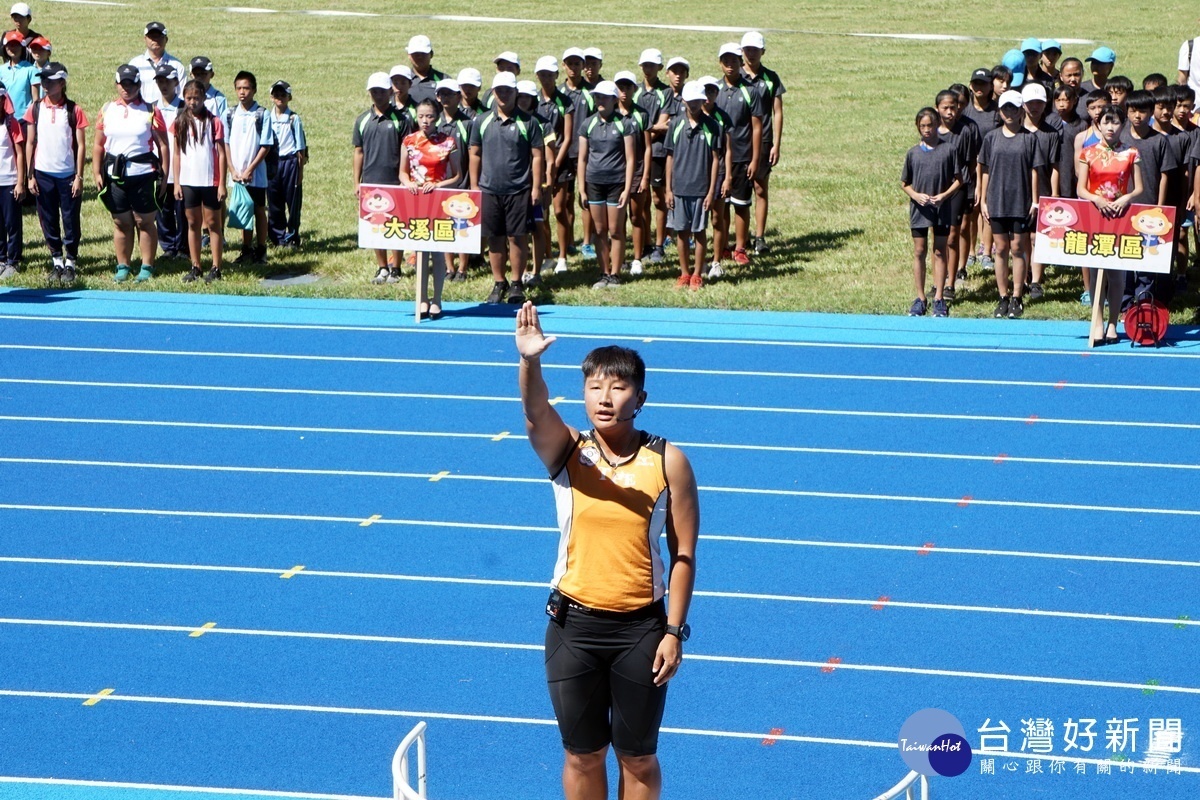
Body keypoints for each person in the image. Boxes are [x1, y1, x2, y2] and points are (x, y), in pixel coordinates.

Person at [514, 301, 697, 800]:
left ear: (640, 397)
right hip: (573, 627)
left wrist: (674, 631)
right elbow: (535, 412)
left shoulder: (669, 462)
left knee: (637, 757)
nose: (604, 397)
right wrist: (530, 361)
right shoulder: (568, 452)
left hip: (641, 630)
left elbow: (683, 556)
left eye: (618, 387)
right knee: (581, 754)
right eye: (594, 386)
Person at [468, 71, 544, 304]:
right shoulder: (481, 121)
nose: (502, 95)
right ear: (492, 93)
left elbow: (537, 155)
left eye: (507, 91)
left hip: (519, 189)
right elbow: (475, 153)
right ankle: (499, 282)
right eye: (498, 90)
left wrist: (536, 188)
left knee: (517, 237)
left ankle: (517, 284)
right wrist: (474, 186)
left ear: (515, 93)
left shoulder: (529, 122)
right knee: (494, 238)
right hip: (489, 189)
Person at [93, 63, 169, 284]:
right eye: (123, 84)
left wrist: (164, 174)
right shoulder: (107, 109)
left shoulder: (150, 110)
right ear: (117, 85)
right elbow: (98, 144)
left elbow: (163, 145)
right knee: (121, 222)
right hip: (115, 176)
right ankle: (123, 265)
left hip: (144, 174)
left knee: (144, 222)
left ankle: (147, 266)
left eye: (132, 84)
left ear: (139, 85)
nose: (127, 88)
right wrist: (96, 171)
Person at [1078, 104, 1142, 343]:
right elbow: (1081, 188)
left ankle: (1113, 323)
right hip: (1095, 216)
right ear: (1098, 124)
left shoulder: (1131, 153)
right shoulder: (1088, 152)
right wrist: (1096, 198)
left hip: (1121, 217)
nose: (1110, 127)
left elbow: (1139, 188)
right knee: (1096, 274)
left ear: (1122, 125)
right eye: (1106, 121)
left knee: (1117, 275)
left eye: (1115, 122)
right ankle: (1097, 321)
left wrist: (1126, 197)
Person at [978, 89, 1042, 320]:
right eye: (1005, 108)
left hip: (1020, 201)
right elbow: (984, 170)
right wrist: (983, 200)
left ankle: (1017, 296)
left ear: (1020, 110)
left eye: (1013, 108)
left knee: (1017, 248)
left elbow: (1035, 171)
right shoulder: (991, 138)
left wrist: (1034, 201)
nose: (1009, 113)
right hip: (997, 200)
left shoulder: (1029, 138)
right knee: (1001, 249)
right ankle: (1002, 296)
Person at [23, 61, 85, 283]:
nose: (45, 85)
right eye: (44, 81)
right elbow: (30, 142)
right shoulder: (36, 108)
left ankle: (71, 262)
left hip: (67, 175)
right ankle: (56, 260)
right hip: (43, 174)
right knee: (48, 218)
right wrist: (30, 176)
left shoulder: (73, 110)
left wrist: (79, 176)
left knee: (70, 220)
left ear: (62, 82)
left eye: (50, 81)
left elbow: (81, 146)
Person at [400, 97, 460, 317]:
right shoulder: (409, 141)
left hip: (439, 201)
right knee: (419, 251)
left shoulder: (448, 142)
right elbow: (403, 172)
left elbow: (457, 175)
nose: (425, 121)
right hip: (416, 201)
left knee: (437, 252)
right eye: (421, 116)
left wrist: (437, 185)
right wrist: (408, 183)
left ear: (437, 118)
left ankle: (437, 299)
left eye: (430, 116)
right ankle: (422, 298)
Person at [903, 107, 962, 317]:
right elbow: (905, 183)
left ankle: (938, 297)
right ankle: (920, 297)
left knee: (940, 250)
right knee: (919, 251)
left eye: (930, 125)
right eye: (922, 126)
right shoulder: (913, 153)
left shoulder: (949, 150)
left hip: (942, 208)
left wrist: (944, 196)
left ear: (937, 124)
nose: (927, 130)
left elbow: (959, 180)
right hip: (920, 209)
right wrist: (916, 195)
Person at [1121, 90, 1177, 305]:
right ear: (1127, 112)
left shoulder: (1159, 141)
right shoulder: (1121, 138)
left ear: (1151, 112)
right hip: (1124, 206)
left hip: (1150, 208)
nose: (1137, 116)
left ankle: (1144, 299)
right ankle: (1125, 302)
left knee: (1147, 255)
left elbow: (1164, 176)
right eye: (1133, 111)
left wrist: (1160, 206)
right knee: (1125, 255)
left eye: (1143, 111)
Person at [577, 80, 634, 289]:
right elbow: (582, 159)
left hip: (616, 183)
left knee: (616, 230)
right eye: (597, 97)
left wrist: (627, 189)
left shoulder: (624, 124)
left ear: (613, 99)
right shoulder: (588, 124)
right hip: (594, 183)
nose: (600, 101)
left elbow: (630, 159)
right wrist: (581, 188)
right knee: (599, 230)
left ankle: (616, 274)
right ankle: (604, 273)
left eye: (604, 97)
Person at [665, 80, 719, 290]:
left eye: (698, 100)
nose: (694, 105)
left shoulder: (711, 126)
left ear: (702, 101)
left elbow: (715, 159)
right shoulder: (676, 124)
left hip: (701, 189)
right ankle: (684, 273)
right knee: (681, 232)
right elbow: (669, 157)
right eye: (690, 101)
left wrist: (711, 190)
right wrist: (668, 189)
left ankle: (697, 274)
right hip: (679, 188)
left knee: (699, 232)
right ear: (684, 101)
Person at [354, 72, 408, 285]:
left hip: (395, 182)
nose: (378, 95)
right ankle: (382, 267)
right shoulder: (363, 120)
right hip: (371, 183)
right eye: (374, 91)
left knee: (396, 225)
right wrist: (357, 182)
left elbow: (407, 149)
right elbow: (358, 151)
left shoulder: (401, 120)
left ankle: (397, 268)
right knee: (376, 227)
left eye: (382, 91)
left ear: (390, 92)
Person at [714, 42, 764, 268]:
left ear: (740, 62)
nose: (730, 65)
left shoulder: (750, 90)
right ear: (720, 63)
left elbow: (756, 127)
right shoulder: (713, 91)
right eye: (725, 61)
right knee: (721, 205)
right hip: (720, 159)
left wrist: (754, 159)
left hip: (743, 156)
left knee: (741, 204)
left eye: (733, 60)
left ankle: (740, 248)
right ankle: (723, 245)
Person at [172, 79, 226, 283]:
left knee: (213, 223)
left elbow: (221, 154)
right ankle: (195, 265)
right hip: (188, 181)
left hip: (210, 180)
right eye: (188, 98)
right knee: (192, 222)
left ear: (204, 98)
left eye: (196, 98)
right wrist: (177, 182)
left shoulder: (214, 122)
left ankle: (216, 266)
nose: (192, 102)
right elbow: (177, 154)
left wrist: (221, 183)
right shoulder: (179, 122)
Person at [740, 31, 784, 256]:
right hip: (740, 143)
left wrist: (776, 143)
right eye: (747, 49)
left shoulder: (771, 78)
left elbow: (777, 111)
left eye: (755, 49)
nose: (751, 53)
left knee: (760, 188)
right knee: (739, 193)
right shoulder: (735, 77)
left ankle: (759, 237)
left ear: (762, 52)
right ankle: (741, 239)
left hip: (765, 140)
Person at [224, 70, 275, 265]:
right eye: (239, 88)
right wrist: (232, 169)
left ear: (254, 90)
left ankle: (261, 248)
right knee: (243, 208)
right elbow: (225, 143)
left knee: (259, 208)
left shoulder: (261, 114)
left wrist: (250, 169)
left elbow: (266, 145)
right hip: (237, 173)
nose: (242, 92)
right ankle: (246, 248)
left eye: (246, 88)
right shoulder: (230, 113)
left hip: (255, 173)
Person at [1020, 81, 1060, 301]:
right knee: (1021, 237)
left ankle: (1036, 280)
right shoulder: (1016, 130)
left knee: (1038, 237)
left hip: (1043, 190)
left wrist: (1054, 194)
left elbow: (1055, 166)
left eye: (1039, 103)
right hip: (1019, 191)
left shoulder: (1051, 134)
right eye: (1030, 103)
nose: (1034, 107)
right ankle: (1023, 273)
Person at [534, 55, 574, 275]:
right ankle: (547, 254)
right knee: (543, 212)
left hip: (561, 163)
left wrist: (556, 164)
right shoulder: (533, 100)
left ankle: (562, 256)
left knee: (559, 210)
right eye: (542, 75)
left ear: (556, 75)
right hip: (540, 165)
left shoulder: (564, 102)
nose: (546, 79)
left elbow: (567, 137)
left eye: (550, 75)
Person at [517, 78, 557, 285]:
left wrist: (548, 186)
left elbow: (550, 160)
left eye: (527, 97)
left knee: (538, 229)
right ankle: (522, 270)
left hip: (538, 187)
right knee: (518, 230)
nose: (523, 100)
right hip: (517, 186)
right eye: (520, 96)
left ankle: (537, 272)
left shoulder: (544, 124)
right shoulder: (513, 121)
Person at [435, 77, 471, 282]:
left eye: (450, 94)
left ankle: (463, 268)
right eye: (442, 94)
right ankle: (449, 267)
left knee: (462, 226)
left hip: (462, 182)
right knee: (444, 226)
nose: (445, 98)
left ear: (458, 96)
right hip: (440, 182)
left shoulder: (467, 123)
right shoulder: (435, 122)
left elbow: (474, 154)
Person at [615, 71, 650, 275]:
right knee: (617, 220)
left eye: (628, 87)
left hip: (636, 172)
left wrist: (645, 176)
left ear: (634, 89)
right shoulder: (612, 114)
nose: (624, 92)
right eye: (620, 87)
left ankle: (637, 258)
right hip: (616, 174)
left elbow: (647, 148)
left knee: (637, 216)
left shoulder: (641, 115)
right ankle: (619, 258)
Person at [698, 75, 733, 279]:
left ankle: (717, 261)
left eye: (712, 91)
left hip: (718, 173)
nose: (708, 95)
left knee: (718, 218)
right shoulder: (692, 115)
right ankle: (700, 262)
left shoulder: (722, 117)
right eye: (705, 91)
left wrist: (728, 176)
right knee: (698, 220)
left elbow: (728, 150)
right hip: (697, 175)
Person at [266, 79, 306, 249]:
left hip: (290, 162)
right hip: (273, 162)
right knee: (274, 200)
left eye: (283, 94)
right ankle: (277, 237)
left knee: (293, 200)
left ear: (289, 97)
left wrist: (300, 171)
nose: (279, 97)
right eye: (276, 94)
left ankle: (293, 235)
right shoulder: (267, 117)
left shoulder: (293, 118)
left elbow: (301, 148)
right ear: (271, 97)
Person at [152, 62, 185, 261]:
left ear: (176, 82)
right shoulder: (152, 108)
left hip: (181, 168)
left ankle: (183, 248)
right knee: (162, 210)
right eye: (160, 81)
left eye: (168, 81)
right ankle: (168, 247)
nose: (164, 85)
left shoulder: (183, 107)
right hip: (159, 167)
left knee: (181, 211)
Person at [0, 80, 25, 280]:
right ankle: (1, 258)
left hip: (8, 179)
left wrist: (20, 181)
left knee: (12, 223)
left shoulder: (11, 123)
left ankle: (13, 260)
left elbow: (20, 152)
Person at [129, 21, 184, 106]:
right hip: (142, 112)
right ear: (145, 39)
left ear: (166, 39)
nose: (155, 40)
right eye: (152, 37)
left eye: (159, 36)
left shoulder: (177, 65)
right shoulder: (135, 64)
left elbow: (182, 94)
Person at [0, 29, 37, 120]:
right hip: (4, 118)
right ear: (5, 47)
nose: (13, 48)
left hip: (24, 119)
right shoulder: (1, 69)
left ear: (22, 47)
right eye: (10, 45)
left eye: (16, 45)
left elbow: (36, 99)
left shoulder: (31, 70)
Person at [405, 35, 446, 107]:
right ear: (409, 55)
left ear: (431, 54)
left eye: (423, 54)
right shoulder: (401, 80)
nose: (419, 57)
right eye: (416, 54)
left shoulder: (443, 80)